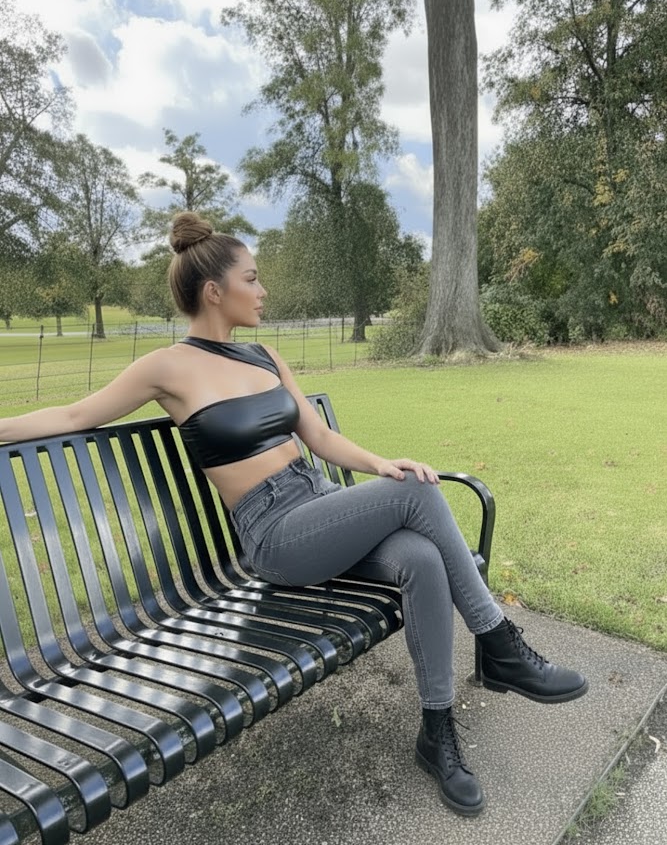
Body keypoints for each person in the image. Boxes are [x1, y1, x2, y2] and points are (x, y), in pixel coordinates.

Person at [0, 211, 588, 816]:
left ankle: (436, 733)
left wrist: (382, 462)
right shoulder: (167, 366)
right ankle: (500, 645)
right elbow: (74, 417)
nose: (263, 292)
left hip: (320, 502)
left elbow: (322, 441)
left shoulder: (263, 355)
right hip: (275, 534)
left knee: (420, 556)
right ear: (214, 291)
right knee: (417, 492)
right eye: (252, 280)